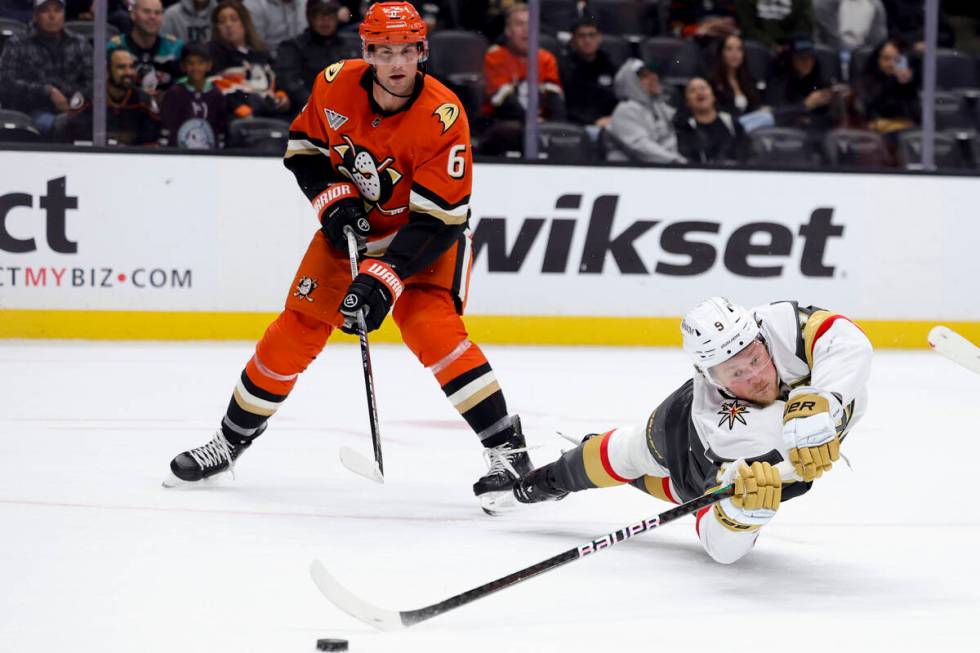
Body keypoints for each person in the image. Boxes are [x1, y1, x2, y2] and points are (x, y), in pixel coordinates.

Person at [164, 2, 534, 515]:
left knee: (433, 332)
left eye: (407, 51)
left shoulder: (444, 115)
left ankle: (509, 452)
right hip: (353, 234)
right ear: (368, 53)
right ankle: (228, 443)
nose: (397, 63)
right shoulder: (334, 84)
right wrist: (333, 202)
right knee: (292, 334)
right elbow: (303, 150)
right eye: (385, 52)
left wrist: (382, 280)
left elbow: (439, 220)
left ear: (422, 51)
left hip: (425, 239)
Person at [511, 297, 873, 564]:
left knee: (645, 474)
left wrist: (823, 397)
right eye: (736, 374)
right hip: (684, 438)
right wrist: (738, 517)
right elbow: (720, 548)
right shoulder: (721, 428)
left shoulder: (781, 325)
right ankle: (543, 482)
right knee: (628, 454)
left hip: (760, 453)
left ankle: (616, 476)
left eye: (754, 359)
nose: (757, 378)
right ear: (710, 377)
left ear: (761, 338)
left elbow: (849, 341)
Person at [479, 2, 565, 156]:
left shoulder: (546, 58)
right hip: (502, 122)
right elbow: (504, 102)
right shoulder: (496, 56)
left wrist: (555, 125)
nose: (526, 29)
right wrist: (532, 122)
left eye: (530, 24)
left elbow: (555, 100)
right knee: (510, 130)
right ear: (508, 31)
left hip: (540, 122)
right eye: (519, 24)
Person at [0, 0, 92, 140]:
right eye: (45, 10)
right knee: (60, 124)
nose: (52, 16)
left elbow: (94, 81)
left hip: (75, 110)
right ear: (35, 15)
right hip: (30, 112)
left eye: (57, 10)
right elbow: (6, 84)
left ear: (64, 14)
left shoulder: (79, 43)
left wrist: (73, 103)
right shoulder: (17, 43)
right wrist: (47, 92)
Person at [208, 0, 290, 119]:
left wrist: (282, 95)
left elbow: (276, 81)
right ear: (217, 28)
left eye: (234, 19)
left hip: (270, 111)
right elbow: (213, 87)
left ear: (244, 23)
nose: (228, 25)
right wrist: (236, 107)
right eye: (222, 21)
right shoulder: (212, 55)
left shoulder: (261, 53)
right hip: (233, 115)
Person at [66, 48, 161, 145]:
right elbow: (75, 139)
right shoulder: (87, 99)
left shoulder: (144, 101)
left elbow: (152, 142)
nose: (128, 72)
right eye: (121, 67)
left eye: (131, 67)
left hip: (133, 158)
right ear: (106, 70)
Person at [274, 0, 350, 113]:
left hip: (346, 110)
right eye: (319, 15)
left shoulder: (349, 46)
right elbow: (290, 84)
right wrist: (317, 106)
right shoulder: (292, 47)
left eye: (330, 15)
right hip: (306, 112)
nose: (325, 20)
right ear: (310, 17)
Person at [604, 59, 685, 164]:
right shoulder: (625, 110)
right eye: (644, 76)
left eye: (652, 74)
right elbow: (641, 146)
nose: (654, 78)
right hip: (629, 173)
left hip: (663, 169)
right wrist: (675, 160)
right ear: (630, 82)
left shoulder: (659, 107)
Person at [107, 0, 183, 97]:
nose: (152, 17)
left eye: (157, 13)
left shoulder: (176, 47)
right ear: (133, 15)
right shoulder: (114, 47)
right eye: (146, 12)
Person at [160, 41, 228, 148]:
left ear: (208, 65)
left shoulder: (216, 94)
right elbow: (166, 129)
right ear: (183, 66)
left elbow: (220, 130)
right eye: (190, 63)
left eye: (200, 63)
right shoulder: (174, 93)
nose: (195, 68)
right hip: (180, 156)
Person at [765, 35, 837, 132]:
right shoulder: (778, 83)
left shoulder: (817, 81)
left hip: (815, 137)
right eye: (802, 58)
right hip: (786, 137)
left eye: (811, 57)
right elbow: (774, 115)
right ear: (791, 59)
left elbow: (827, 118)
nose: (808, 62)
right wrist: (806, 105)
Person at [558, 16, 618, 129]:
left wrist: (613, 118)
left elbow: (618, 100)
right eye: (581, 36)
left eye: (592, 35)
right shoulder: (564, 69)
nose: (587, 40)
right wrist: (594, 121)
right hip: (578, 125)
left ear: (599, 38)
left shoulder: (610, 66)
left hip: (610, 123)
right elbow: (566, 107)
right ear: (573, 40)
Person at [675, 77, 748, 163]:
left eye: (703, 88)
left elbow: (746, 154)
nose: (699, 93)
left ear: (713, 96)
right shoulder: (685, 128)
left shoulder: (733, 123)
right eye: (693, 91)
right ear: (687, 102)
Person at [856, 38, 918, 134]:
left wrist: (905, 83)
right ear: (877, 60)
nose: (891, 64)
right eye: (886, 58)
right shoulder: (866, 82)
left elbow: (915, 115)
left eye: (897, 60)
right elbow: (870, 112)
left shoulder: (911, 83)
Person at [735, 0, 816, 50]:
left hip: (792, 48)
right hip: (759, 46)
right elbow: (748, 27)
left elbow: (804, 25)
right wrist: (771, 45)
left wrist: (789, 47)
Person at [813, 0, 887, 51]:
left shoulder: (875, 5)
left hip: (862, 56)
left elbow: (878, 40)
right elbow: (830, 36)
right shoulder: (823, 3)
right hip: (830, 54)